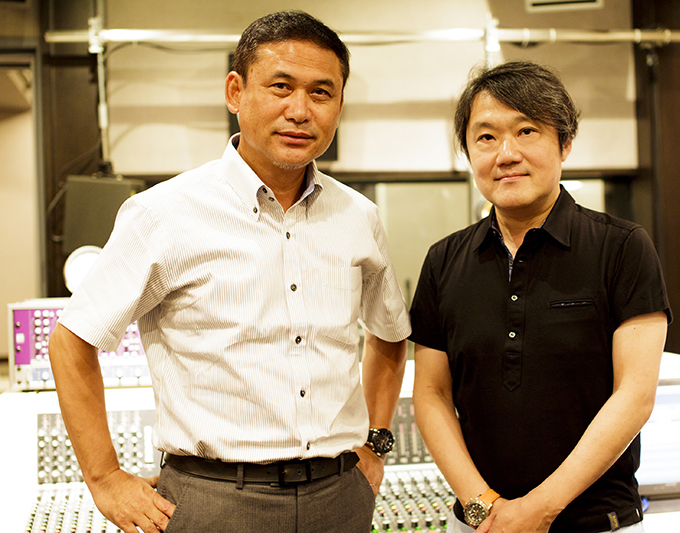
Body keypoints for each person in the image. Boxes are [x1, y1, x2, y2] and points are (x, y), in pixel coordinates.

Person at [48, 11, 411, 533]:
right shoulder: (162, 213)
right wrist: (104, 478)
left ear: (339, 104)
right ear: (235, 92)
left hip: (340, 497)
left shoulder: (359, 217)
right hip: (214, 500)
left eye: (321, 93)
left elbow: (390, 334)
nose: (300, 111)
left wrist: (375, 445)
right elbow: (71, 342)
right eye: (281, 87)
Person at [410, 61, 671, 533]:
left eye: (526, 131)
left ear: (564, 143)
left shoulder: (623, 248)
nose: (506, 154)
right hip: (479, 524)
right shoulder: (443, 260)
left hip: (597, 522)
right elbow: (431, 394)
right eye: (485, 137)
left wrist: (539, 509)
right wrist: (482, 505)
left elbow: (635, 395)